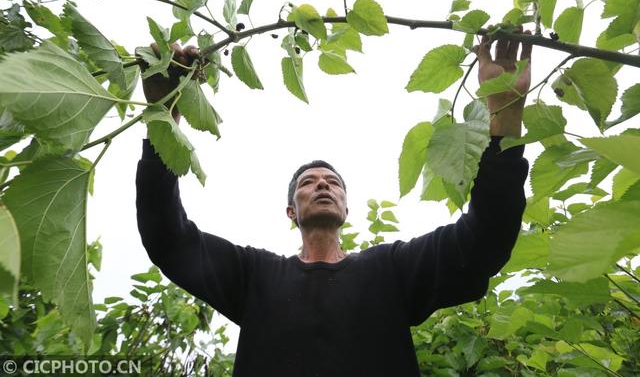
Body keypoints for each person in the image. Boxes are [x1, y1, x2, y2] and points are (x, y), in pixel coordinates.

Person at [136, 30, 532, 376]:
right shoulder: (254, 276)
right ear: (292, 211)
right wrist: (162, 115)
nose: (322, 185)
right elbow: (168, 239)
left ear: (346, 209)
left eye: (333, 183)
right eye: (308, 183)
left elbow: (483, 242)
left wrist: (505, 120)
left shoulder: (390, 270)